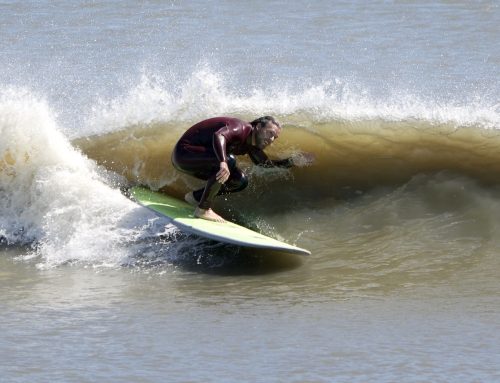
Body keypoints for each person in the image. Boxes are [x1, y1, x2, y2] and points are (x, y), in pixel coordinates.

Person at [171, 116, 313, 222]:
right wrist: (222, 162)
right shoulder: (240, 128)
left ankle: (195, 198)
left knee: (240, 181)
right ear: (258, 127)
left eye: (274, 138)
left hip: (198, 162)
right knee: (230, 160)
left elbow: (265, 164)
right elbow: (219, 135)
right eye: (269, 133)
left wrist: (292, 161)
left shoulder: (252, 145)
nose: (271, 140)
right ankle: (203, 209)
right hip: (184, 154)